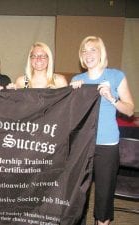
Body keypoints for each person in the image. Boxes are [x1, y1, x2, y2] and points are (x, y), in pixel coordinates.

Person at [70, 36, 134, 225]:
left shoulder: (116, 76)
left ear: (101, 53)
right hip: (83, 145)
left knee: (104, 196)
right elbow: (71, 116)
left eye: (93, 50)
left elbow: (130, 109)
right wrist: (74, 95)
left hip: (107, 145)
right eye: (84, 50)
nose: (88, 54)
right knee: (78, 194)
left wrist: (111, 98)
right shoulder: (77, 80)